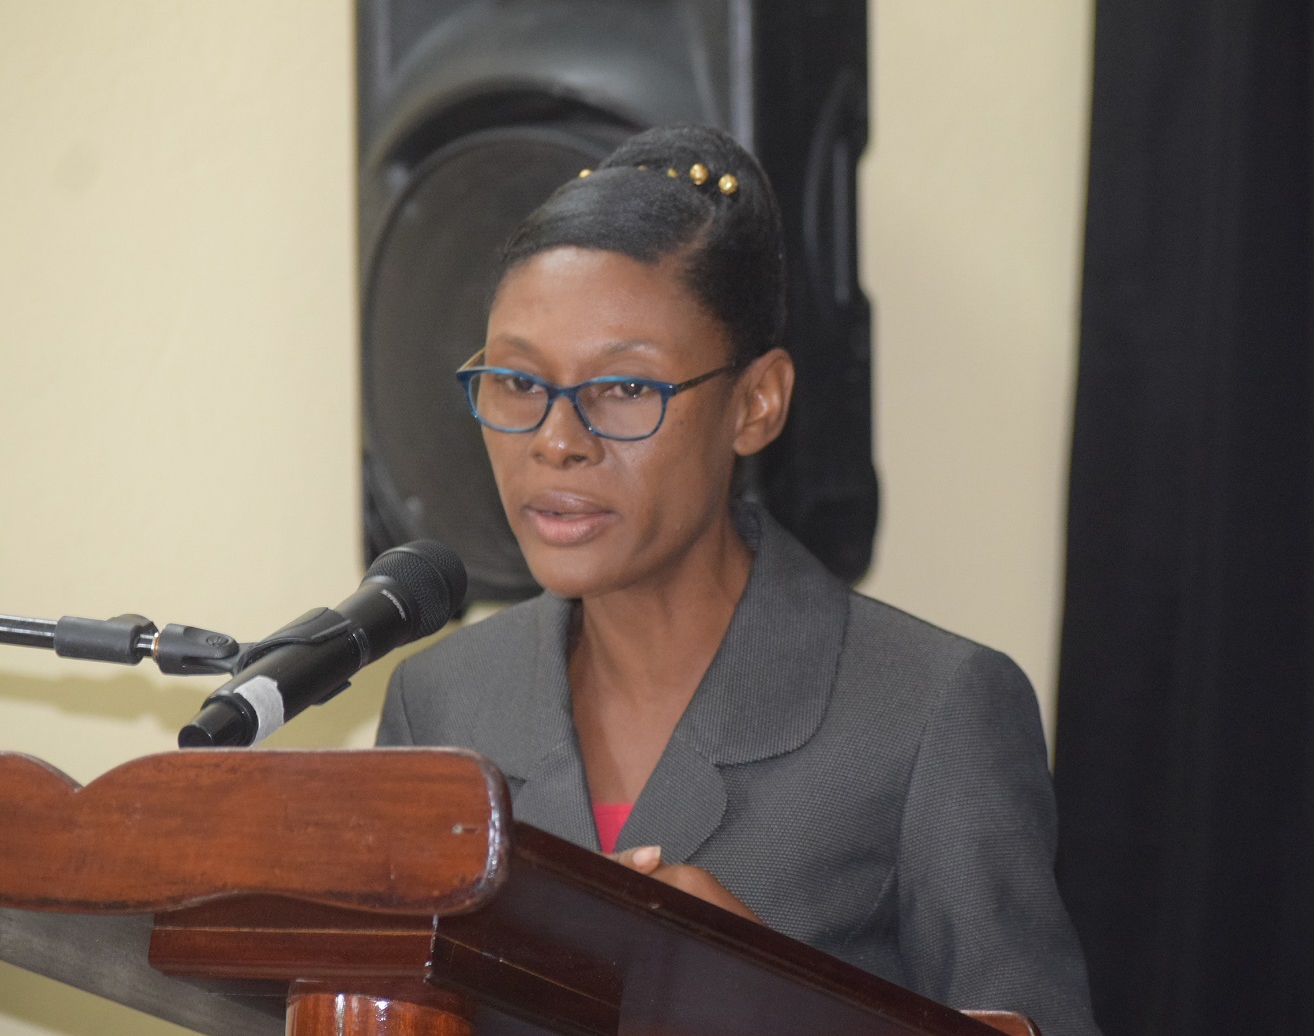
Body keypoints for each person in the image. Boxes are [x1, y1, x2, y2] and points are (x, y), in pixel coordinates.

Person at [377, 124, 1101, 1036]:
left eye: (625, 389)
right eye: (518, 381)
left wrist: (767, 1001)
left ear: (756, 403)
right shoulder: (441, 702)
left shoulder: (928, 710)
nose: (557, 441)